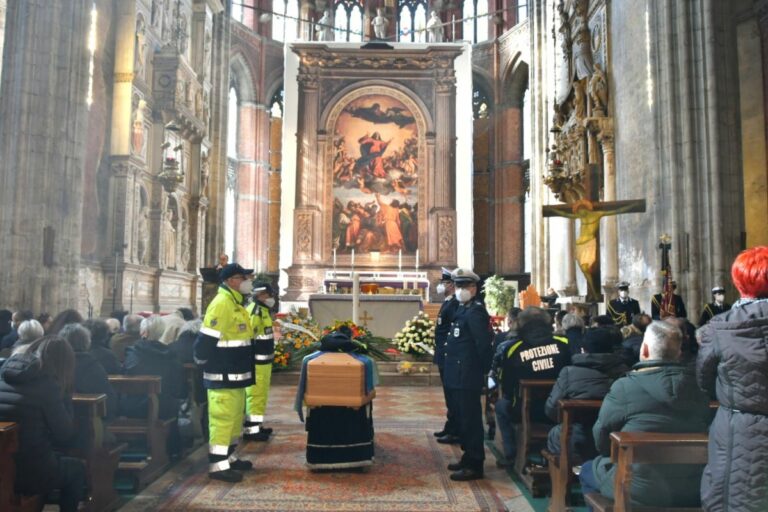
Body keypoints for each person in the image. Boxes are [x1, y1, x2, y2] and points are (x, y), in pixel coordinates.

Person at [579, 321, 711, 508]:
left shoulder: (625, 387)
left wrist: (611, 455)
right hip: (693, 486)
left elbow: (601, 436)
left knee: (587, 470)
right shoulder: (699, 388)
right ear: (679, 353)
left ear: (645, 349)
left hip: (638, 487)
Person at [697, 246, 768, 512]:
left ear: (739, 283)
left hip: (739, 427)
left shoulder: (720, 327)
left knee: (735, 497)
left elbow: (704, 380)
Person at [0, 336, 87, 512]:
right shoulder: (47, 385)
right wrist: (66, 398)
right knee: (76, 470)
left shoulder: (4, 374)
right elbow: (64, 434)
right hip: (28, 470)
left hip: (4, 464)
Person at [194, 263, 256, 482]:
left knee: (234, 419)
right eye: (242, 277)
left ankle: (229, 457)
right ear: (230, 281)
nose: (247, 282)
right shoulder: (222, 303)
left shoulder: (235, 303)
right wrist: (202, 362)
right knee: (222, 419)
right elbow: (206, 341)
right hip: (222, 374)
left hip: (236, 374)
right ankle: (218, 465)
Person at [498, 307, 571, 463]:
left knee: (501, 406)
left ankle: (511, 454)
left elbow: (506, 386)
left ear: (521, 324)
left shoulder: (513, 349)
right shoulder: (564, 344)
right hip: (559, 409)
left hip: (525, 410)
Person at [544, 329, 628, 460]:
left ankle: (564, 470)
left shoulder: (569, 373)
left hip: (576, 438)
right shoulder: (625, 372)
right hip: (613, 439)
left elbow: (552, 408)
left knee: (556, 434)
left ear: (583, 350)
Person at [443, 268, 493, 481]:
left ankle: (475, 463)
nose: (461, 289)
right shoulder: (463, 309)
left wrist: (482, 371)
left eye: (466, 286)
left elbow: (483, 345)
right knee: (463, 419)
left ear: (474, 288)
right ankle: (467, 457)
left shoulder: (475, 312)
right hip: (458, 373)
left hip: (467, 374)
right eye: (459, 285)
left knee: (471, 420)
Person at [122, 315, 186, 421]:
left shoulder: (132, 354)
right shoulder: (171, 356)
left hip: (133, 408)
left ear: (143, 332)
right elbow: (179, 390)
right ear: (162, 332)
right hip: (163, 409)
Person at [59, 323, 117, 420]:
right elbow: (110, 401)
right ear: (87, 342)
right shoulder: (93, 366)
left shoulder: (56, 364)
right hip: (90, 420)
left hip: (61, 419)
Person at [243, 281, 277, 442]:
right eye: (269, 295)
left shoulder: (263, 311)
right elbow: (248, 336)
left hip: (264, 363)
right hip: (256, 363)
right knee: (255, 396)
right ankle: (251, 430)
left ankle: (257, 425)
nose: (271, 298)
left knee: (261, 396)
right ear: (260, 295)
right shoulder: (255, 311)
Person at [490, 306, 522, 466]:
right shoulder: (559, 343)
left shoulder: (505, 342)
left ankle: (510, 453)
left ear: (510, 322)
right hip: (549, 402)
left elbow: (496, 370)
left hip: (517, 400)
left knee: (501, 405)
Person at [432, 268, 460, 442]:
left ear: (450, 285)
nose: (441, 286)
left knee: (452, 395)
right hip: (443, 353)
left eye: (443, 283)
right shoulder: (449, 302)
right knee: (448, 394)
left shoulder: (454, 303)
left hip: (448, 354)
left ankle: (454, 430)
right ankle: (450, 426)